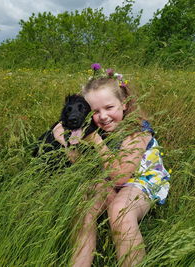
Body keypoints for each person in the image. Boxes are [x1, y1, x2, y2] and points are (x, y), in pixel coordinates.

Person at [53, 65, 170, 267]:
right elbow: (79, 163)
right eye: (95, 111)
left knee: (120, 210)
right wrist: (66, 141)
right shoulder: (94, 129)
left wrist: (96, 140)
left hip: (141, 180)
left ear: (123, 104)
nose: (103, 116)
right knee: (83, 206)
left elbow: (121, 177)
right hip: (107, 180)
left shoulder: (137, 129)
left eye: (109, 108)